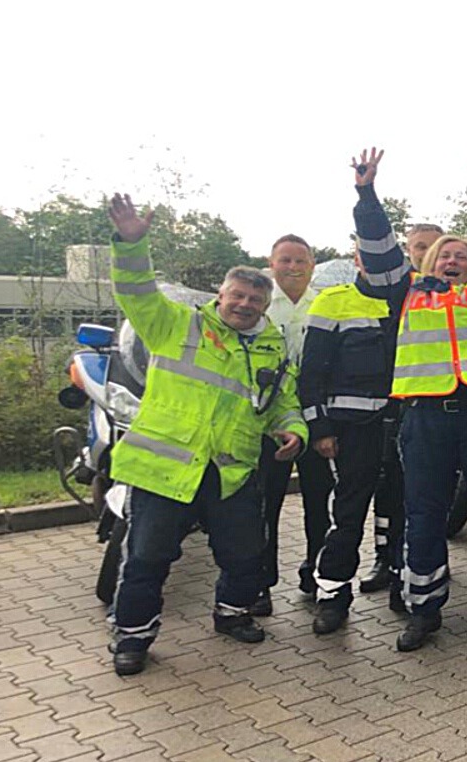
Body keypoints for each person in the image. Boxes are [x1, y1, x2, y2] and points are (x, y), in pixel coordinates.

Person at [105, 194, 307, 676]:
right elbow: (135, 291)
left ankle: (232, 613)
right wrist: (131, 244)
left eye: (255, 300)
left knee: (245, 553)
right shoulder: (176, 324)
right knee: (147, 558)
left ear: (265, 306)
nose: (245, 305)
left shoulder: (272, 346)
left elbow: (282, 401)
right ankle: (133, 636)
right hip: (166, 468)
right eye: (238, 296)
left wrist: (293, 430)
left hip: (230, 470)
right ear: (221, 295)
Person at [352, 147, 467, 653]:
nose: (452, 261)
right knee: (423, 514)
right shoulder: (405, 291)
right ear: (429, 261)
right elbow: (379, 251)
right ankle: (424, 611)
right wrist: (367, 195)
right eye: (444, 256)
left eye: (462, 256)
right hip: (424, 417)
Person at [301, 245, 402, 634]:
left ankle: (402, 584)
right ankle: (332, 595)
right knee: (347, 513)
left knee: (404, 510)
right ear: (357, 260)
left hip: (402, 425)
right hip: (352, 430)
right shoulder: (333, 302)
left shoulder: (411, 298)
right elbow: (311, 372)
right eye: (366, 256)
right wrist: (320, 428)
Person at [256, 234, 333, 614]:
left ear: (312, 266)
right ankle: (260, 583)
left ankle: (316, 574)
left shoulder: (325, 305)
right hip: (268, 422)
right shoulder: (257, 304)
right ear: (271, 264)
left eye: (300, 260)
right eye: (284, 260)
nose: (293, 267)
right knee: (263, 505)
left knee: (320, 503)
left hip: (316, 418)